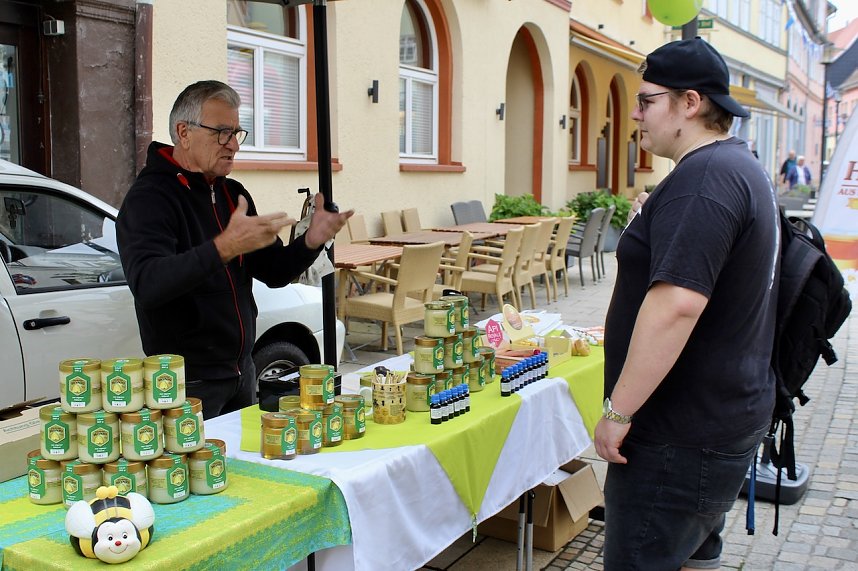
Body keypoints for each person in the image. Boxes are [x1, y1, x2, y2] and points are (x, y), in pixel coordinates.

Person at [594, 38, 779, 570]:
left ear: (690, 103)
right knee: (696, 558)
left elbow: (676, 306)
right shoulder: (736, 168)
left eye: (647, 100)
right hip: (718, 419)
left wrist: (618, 410)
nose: (635, 114)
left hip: (678, 435)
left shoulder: (704, 180)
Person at [117, 80, 353, 419]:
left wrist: (310, 241)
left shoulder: (233, 193)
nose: (233, 146)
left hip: (242, 372)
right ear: (184, 132)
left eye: (237, 133)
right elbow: (148, 284)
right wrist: (222, 248)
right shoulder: (149, 198)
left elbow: (274, 272)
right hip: (186, 384)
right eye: (222, 133)